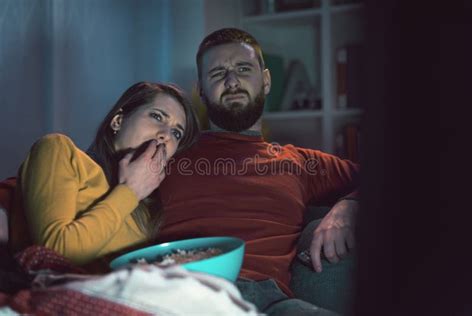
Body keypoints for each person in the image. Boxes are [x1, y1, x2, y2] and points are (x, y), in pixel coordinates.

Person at [156, 28, 359, 315]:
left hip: (265, 302)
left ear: (265, 81)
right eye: (217, 73)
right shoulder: (168, 153)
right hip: (178, 295)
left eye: (243, 68)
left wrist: (349, 206)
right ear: (200, 89)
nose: (232, 81)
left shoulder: (299, 162)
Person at [7, 81, 199, 267]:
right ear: (118, 121)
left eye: (176, 133)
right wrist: (130, 191)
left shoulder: (149, 213)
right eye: (157, 117)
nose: (166, 135)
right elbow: (56, 255)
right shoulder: (59, 150)